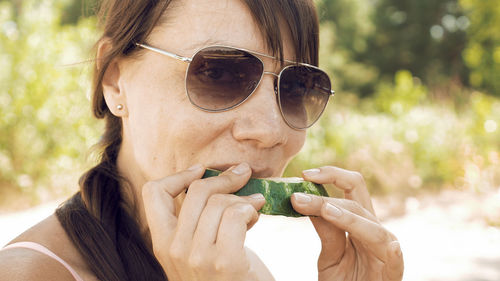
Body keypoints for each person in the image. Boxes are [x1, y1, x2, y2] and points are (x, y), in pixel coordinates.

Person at [0, 0, 404, 280]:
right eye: (218, 74)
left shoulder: (242, 270)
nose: (271, 131)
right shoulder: (28, 274)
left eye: (298, 87)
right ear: (115, 82)